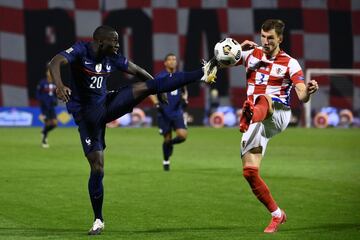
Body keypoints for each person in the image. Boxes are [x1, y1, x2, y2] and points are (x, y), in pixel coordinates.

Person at [48, 25, 216, 235]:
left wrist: (157, 87)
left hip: (107, 104)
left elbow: (138, 71)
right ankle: (98, 219)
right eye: (114, 41)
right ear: (101, 42)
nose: (118, 45)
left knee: (145, 86)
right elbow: (56, 61)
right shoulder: (81, 51)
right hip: (87, 117)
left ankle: (203, 72)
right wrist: (59, 84)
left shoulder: (113, 57)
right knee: (98, 168)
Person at [206, 19, 319, 233]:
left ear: (280, 39)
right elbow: (217, 63)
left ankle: (249, 115)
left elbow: (302, 94)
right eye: (263, 37)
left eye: (270, 38)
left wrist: (309, 91)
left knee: (264, 98)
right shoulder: (251, 55)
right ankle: (277, 214)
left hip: (278, 113)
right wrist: (236, 48)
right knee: (249, 172)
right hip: (256, 119)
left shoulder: (290, 63)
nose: (265, 41)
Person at [150, 53, 189, 171]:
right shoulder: (160, 76)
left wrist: (185, 98)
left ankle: (171, 144)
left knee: (182, 136)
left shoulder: (180, 76)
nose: (172, 61)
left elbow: (184, 90)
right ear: (165, 63)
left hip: (177, 112)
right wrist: (156, 103)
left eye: (174, 59)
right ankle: (166, 161)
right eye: (170, 59)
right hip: (164, 112)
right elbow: (150, 91)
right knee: (166, 138)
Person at [36, 69, 58, 148]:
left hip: (51, 106)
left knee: (55, 124)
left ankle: (44, 131)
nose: (50, 73)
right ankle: (44, 140)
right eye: (48, 72)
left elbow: (56, 93)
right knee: (48, 123)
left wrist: (55, 100)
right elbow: (37, 94)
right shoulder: (42, 83)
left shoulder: (54, 83)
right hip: (44, 107)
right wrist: (42, 101)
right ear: (46, 73)